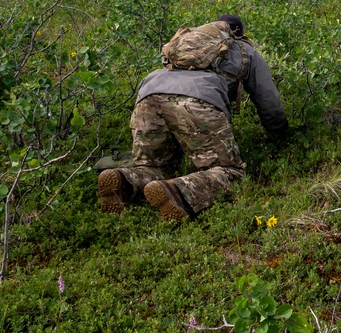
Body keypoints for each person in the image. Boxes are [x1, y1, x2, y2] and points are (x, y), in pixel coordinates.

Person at [98, 14, 288, 221]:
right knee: (231, 172)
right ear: (239, 34)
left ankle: (124, 179)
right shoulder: (245, 50)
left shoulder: (185, 44)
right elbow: (268, 99)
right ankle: (177, 190)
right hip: (197, 101)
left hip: (149, 97)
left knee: (155, 167)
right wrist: (280, 135)